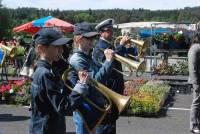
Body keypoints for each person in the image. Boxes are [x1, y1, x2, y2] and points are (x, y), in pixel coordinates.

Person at [29, 28, 89, 134]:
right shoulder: (45, 74)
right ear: (41, 49)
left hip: (47, 127)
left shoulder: (48, 70)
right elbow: (63, 107)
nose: (61, 50)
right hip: (47, 129)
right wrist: (81, 86)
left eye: (61, 46)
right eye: (56, 46)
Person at [69, 22, 114, 134]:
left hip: (91, 105)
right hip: (84, 108)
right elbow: (95, 81)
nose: (92, 41)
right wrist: (108, 62)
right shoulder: (77, 59)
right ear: (79, 39)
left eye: (93, 38)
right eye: (88, 38)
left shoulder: (87, 56)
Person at [92, 19, 130, 134]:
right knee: (106, 126)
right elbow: (108, 64)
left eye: (112, 30)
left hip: (115, 89)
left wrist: (125, 47)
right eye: (108, 30)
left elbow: (118, 57)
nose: (112, 32)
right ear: (101, 33)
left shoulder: (109, 45)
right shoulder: (99, 48)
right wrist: (121, 45)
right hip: (108, 91)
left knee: (111, 125)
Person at [188, 23, 200, 134]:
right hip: (197, 80)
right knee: (196, 102)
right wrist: (196, 83)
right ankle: (193, 125)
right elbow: (192, 68)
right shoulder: (195, 48)